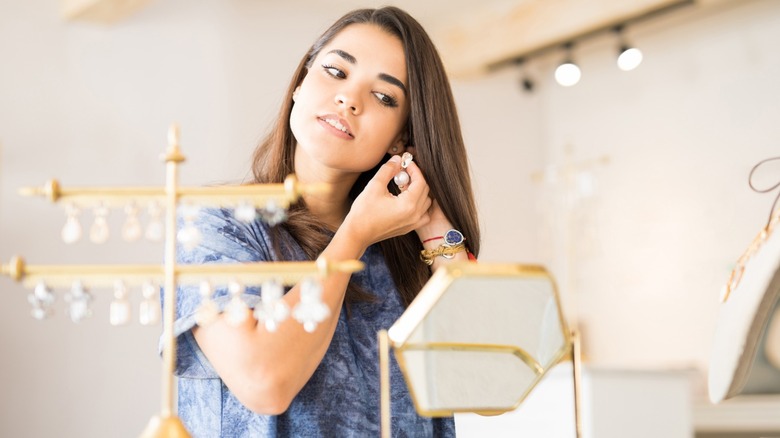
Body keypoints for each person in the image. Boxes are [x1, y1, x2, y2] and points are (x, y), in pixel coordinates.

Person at [171, 6, 480, 437]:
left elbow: (485, 384)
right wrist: (354, 235)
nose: (349, 99)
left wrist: (435, 234)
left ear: (401, 138)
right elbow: (264, 383)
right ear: (299, 85)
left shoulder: (412, 256)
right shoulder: (216, 228)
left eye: (384, 97)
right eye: (336, 72)